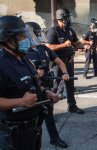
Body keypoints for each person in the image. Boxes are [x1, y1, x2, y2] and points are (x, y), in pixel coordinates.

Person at [0, 16, 59, 150]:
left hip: (33, 128)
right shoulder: (2, 65)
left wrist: (46, 91)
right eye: (21, 36)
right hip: (13, 134)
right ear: (8, 39)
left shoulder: (24, 58)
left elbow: (33, 83)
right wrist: (21, 101)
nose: (26, 39)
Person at [25, 21, 69, 148]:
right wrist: (36, 74)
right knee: (33, 122)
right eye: (37, 33)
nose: (39, 36)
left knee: (49, 116)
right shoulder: (23, 52)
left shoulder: (43, 49)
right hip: (32, 91)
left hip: (46, 89)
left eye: (39, 33)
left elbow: (60, 62)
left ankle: (54, 139)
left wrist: (65, 73)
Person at [46, 8, 91, 114]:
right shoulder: (53, 31)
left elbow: (76, 43)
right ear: (61, 18)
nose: (69, 19)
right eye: (67, 17)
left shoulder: (70, 30)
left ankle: (72, 106)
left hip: (69, 62)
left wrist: (85, 45)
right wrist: (63, 45)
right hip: (57, 64)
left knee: (70, 85)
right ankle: (48, 111)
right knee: (55, 87)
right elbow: (48, 48)